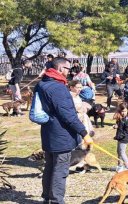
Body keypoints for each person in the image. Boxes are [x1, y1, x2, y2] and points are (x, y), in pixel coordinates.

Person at [37, 57, 93, 204]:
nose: (70, 72)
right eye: (68, 69)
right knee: (60, 170)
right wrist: (84, 133)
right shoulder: (58, 88)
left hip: (48, 133)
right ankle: (56, 200)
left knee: (49, 167)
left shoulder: (42, 84)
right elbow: (68, 115)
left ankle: (47, 198)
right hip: (61, 135)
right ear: (61, 68)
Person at [113, 102, 128, 173]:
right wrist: (116, 126)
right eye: (122, 111)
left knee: (122, 152)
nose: (123, 113)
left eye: (125, 111)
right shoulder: (120, 119)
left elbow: (126, 131)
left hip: (124, 138)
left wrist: (118, 137)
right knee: (118, 151)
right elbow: (119, 126)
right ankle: (120, 166)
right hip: (120, 137)